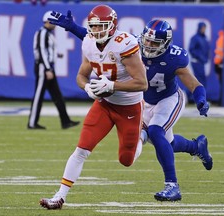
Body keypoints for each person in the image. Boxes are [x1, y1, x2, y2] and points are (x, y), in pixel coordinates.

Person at [43, 10, 212, 204]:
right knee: (167, 142)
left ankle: (172, 185)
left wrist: (201, 99)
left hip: (169, 98)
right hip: (141, 100)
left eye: (154, 43)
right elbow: (100, 39)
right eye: (146, 41)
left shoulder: (174, 58)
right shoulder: (133, 43)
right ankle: (196, 146)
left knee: (156, 133)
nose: (148, 46)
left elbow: (193, 83)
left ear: (166, 44)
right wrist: (73, 27)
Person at [39, 5, 148, 209]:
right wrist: (88, 88)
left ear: (112, 25)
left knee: (126, 160)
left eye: (101, 26)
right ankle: (60, 196)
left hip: (130, 107)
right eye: (93, 27)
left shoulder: (124, 44)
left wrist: (113, 85)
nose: (96, 31)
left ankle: (143, 134)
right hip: (105, 105)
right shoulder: (89, 42)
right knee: (81, 149)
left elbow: (142, 83)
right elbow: (81, 76)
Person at [28, 11, 80, 130]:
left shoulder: (49, 34)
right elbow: (41, 52)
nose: (55, 24)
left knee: (57, 95)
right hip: (43, 68)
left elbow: (48, 51)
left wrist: (56, 57)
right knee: (38, 95)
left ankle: (65, 121)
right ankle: (32, 123)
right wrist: (47, 69)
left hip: (49, 67)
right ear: (48, 21)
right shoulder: (42, 33)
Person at [188, 22, 210, 89]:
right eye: (203, 28)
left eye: (205, 28)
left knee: (200, 80)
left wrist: (206, 58)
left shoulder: (204, 38)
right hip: (196, 61)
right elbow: (191, 49)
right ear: (199, 28)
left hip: (202, 62)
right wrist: (200, 57)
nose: (204, 29)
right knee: (199, 80)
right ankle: (191, 95)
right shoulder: (195, 38)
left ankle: (198, 97)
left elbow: (206, 49)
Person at [214, 29, 224, 104]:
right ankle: (222, 100)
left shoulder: (220, 38)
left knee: (222, 83)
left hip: (218, 63)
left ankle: (221, 100)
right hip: (221, 63)